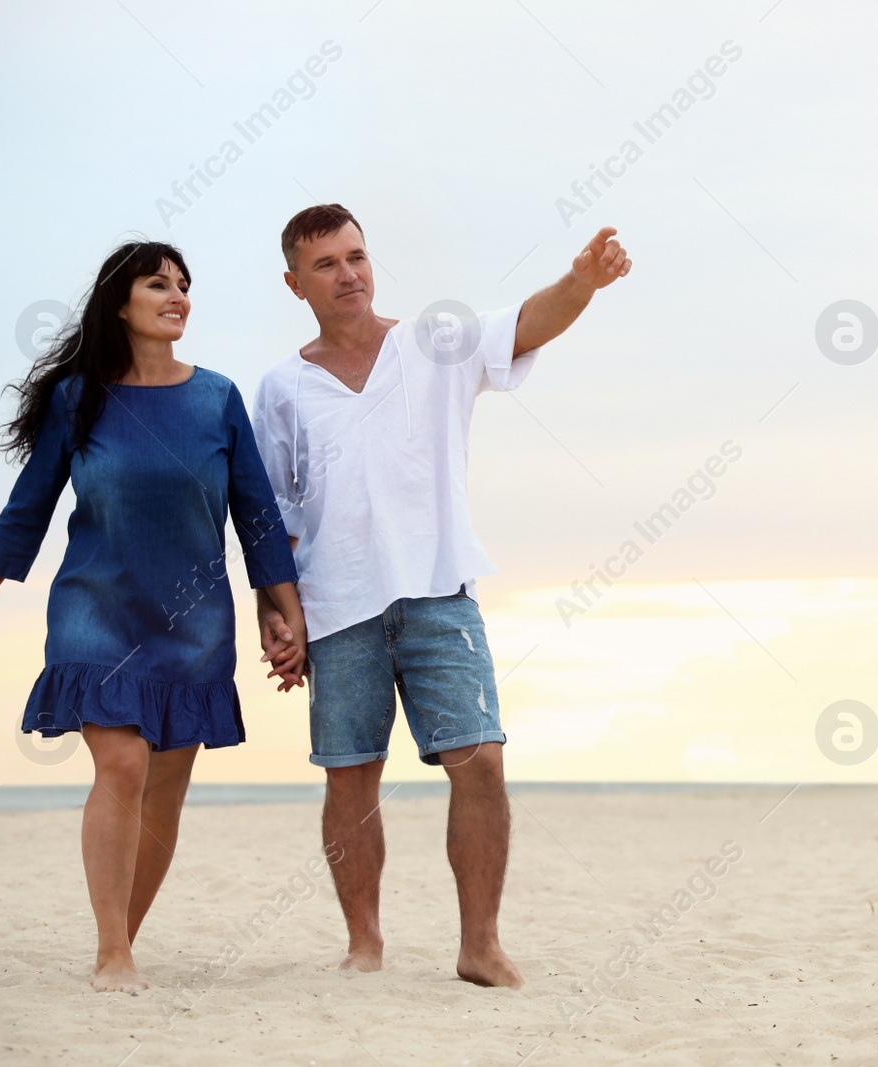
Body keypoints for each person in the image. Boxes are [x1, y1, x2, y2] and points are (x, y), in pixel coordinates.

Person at [252, 205, 630, 988]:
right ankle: (364, 943)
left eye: (356, 255)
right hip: (336, 606)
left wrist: (582, 281)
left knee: (482, 761)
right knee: (350, 775)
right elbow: (271, 519)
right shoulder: (283, 388)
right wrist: (277, 612)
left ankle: (479, 945)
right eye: (325, 264)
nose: (348, 272)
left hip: (439, 591)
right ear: (295, 283)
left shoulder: (432, 341)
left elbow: (525, 324)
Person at [0, 241, 308, 993]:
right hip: (96, 610)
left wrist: (286, 615)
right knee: (125, 763)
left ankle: (121, 942)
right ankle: (113, 952)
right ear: (120, 303)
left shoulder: (217, 398)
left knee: (164, 791)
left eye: (183, 285)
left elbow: (258, 518)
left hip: (194, 622)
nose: (177, 296)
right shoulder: (80, 399)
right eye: (157, 284)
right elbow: (26, 513)